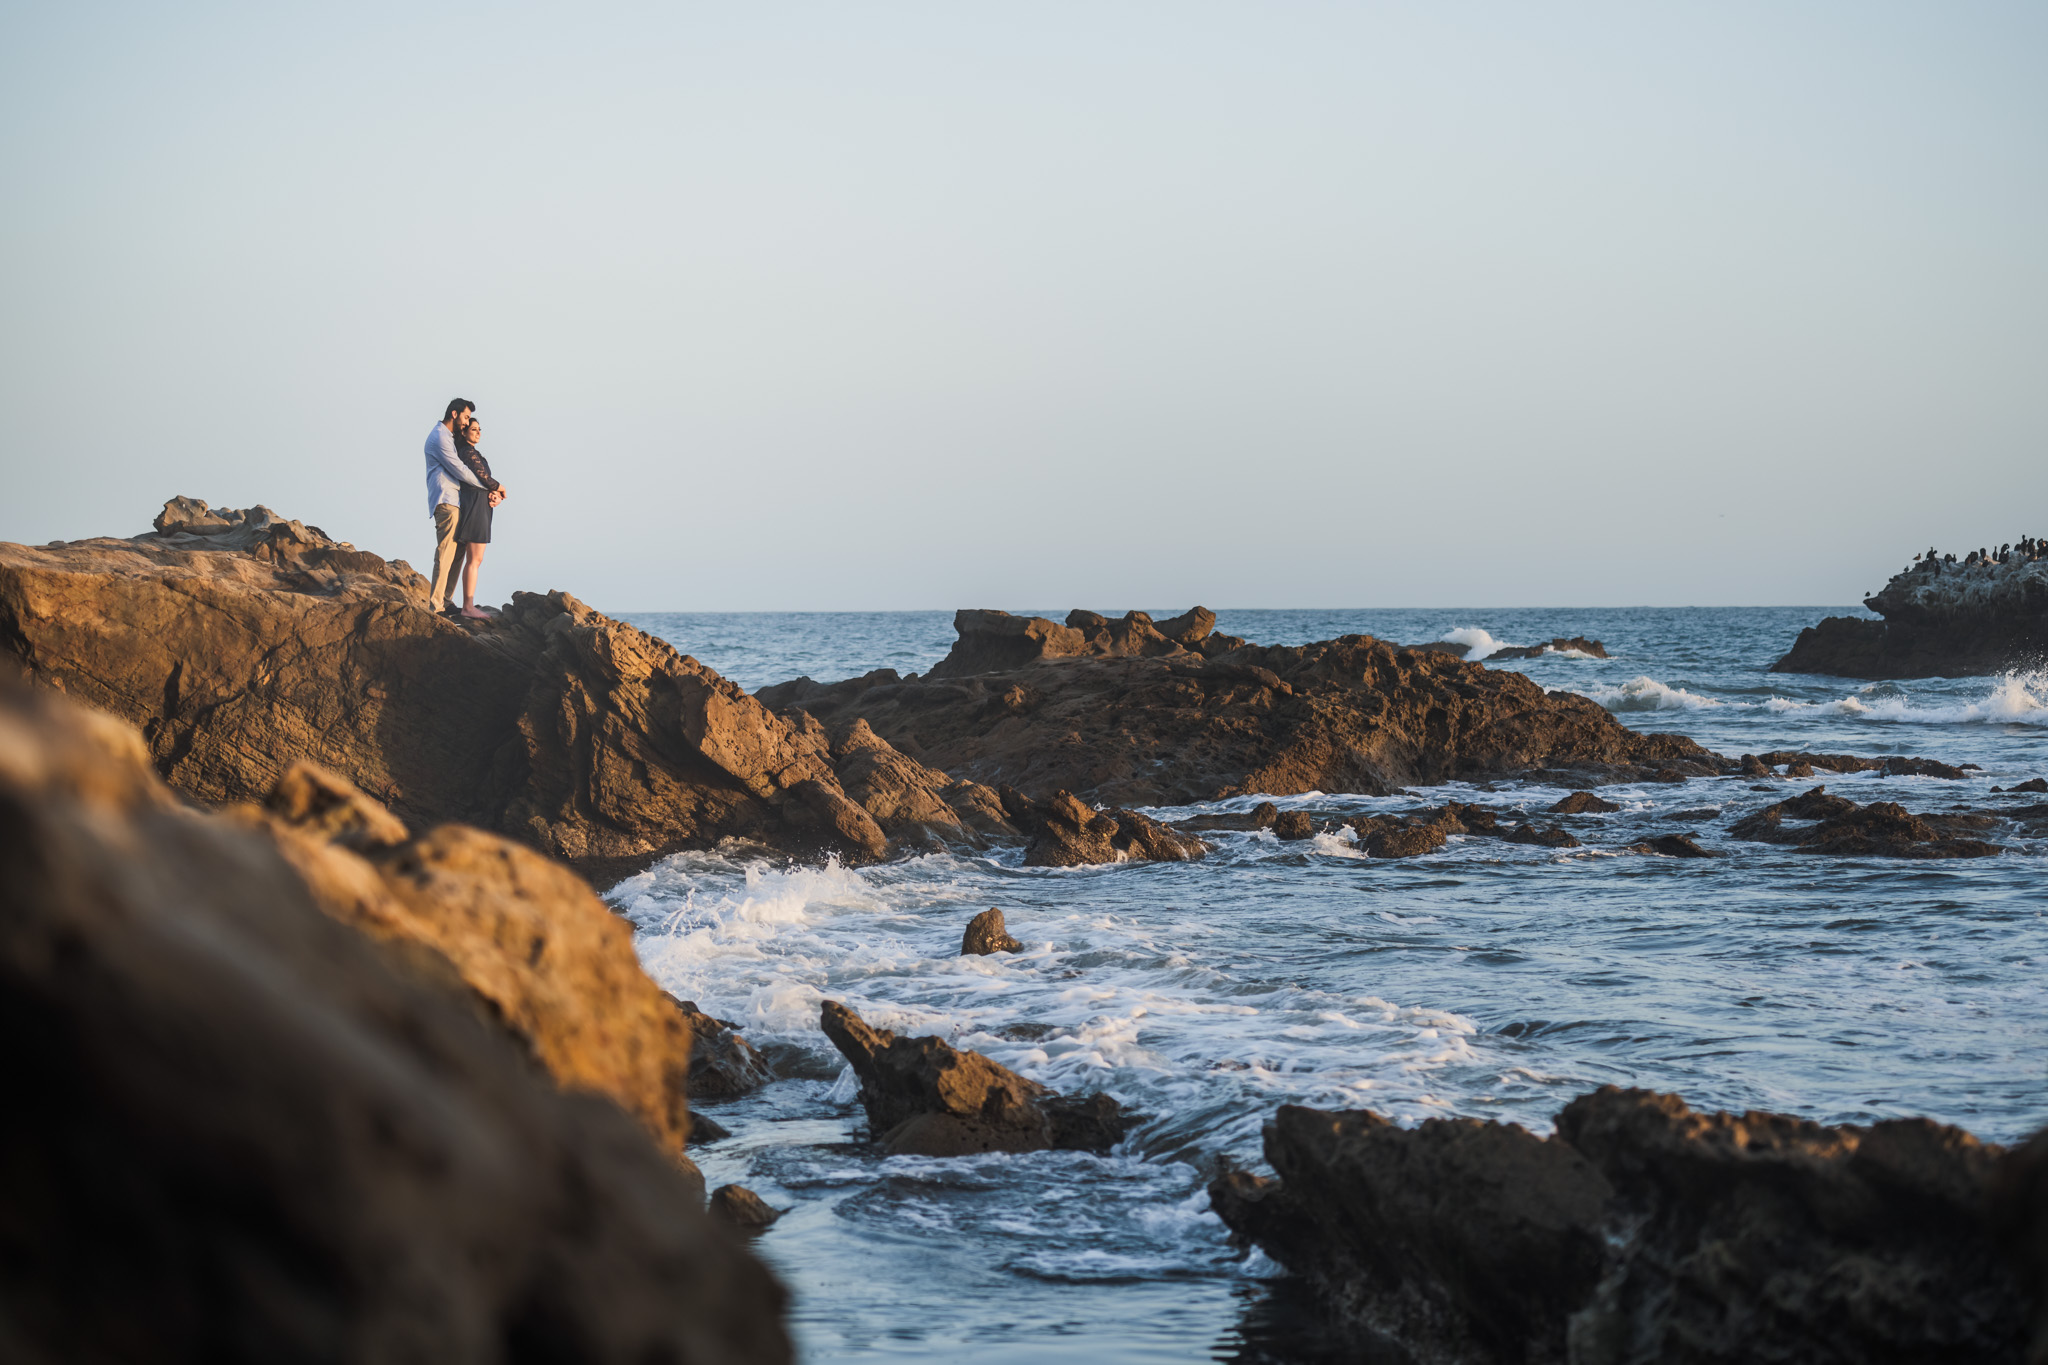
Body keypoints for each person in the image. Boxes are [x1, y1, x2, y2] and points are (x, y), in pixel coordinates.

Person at [424, 398, 488, 613]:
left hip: (456, 502)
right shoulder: (440, 437)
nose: (467, 422)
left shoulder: (448, 438)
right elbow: (459, 469)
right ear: (454, 414)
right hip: (446, 500)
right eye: (466, 417)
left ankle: (447, 600)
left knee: (458, 552)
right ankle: (436, 605)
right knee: (445, 553)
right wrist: (489, 486)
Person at [451, 414, 506, 619]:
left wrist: (495, 494)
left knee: (476, 559)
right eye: (474, 429)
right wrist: (500, 488)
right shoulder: (466, 452)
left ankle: (467, 604)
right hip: (473, 504)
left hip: (480, 503)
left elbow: (482, 480)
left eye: (480, 429)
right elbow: (482, 477)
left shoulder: (474, 452)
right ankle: (468, 606)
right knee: (474, 558)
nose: (478, 433)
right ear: (463, 432)